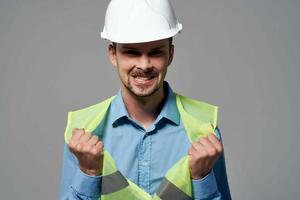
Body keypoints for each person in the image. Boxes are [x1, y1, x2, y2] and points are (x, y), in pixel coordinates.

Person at [59, 0, 231, 199]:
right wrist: (88, 174)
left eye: (156, 52)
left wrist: (202, 179)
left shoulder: (203, 129)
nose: (144, 65)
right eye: (132, 52)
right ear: (113, 54)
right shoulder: (82, 132)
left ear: (170, 54)